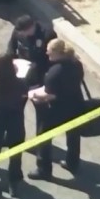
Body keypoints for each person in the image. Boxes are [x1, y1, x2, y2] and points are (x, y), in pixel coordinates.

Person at [28, 39, 86, 180]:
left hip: (59, 109)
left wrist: (33, 95)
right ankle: (72, 162)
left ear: (59, 53)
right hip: (76, 104)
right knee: (73, 134)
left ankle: (44, 169)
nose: (47, 53)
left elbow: (50, 95)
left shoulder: (55, 71)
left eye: (50, 52)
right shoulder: (76, 64)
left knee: (44, 136)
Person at [0, 54, 29, 199]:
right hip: (15, 117)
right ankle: (13, 184)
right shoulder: (20, 83)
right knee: (15, 152)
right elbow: (24, 96)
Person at [6, 14, 57, 136]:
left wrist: (36, 70)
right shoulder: (18, 32)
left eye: (24, 32)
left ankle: (41, 145)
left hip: (38, 80)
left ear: (31, 27)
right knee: (14, 109)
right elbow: (11, 48)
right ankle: (14, 137)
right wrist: (11, 63)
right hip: (21, 77)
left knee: (42, 114)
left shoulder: (47, 35)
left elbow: (51, 59)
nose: (22, 35)